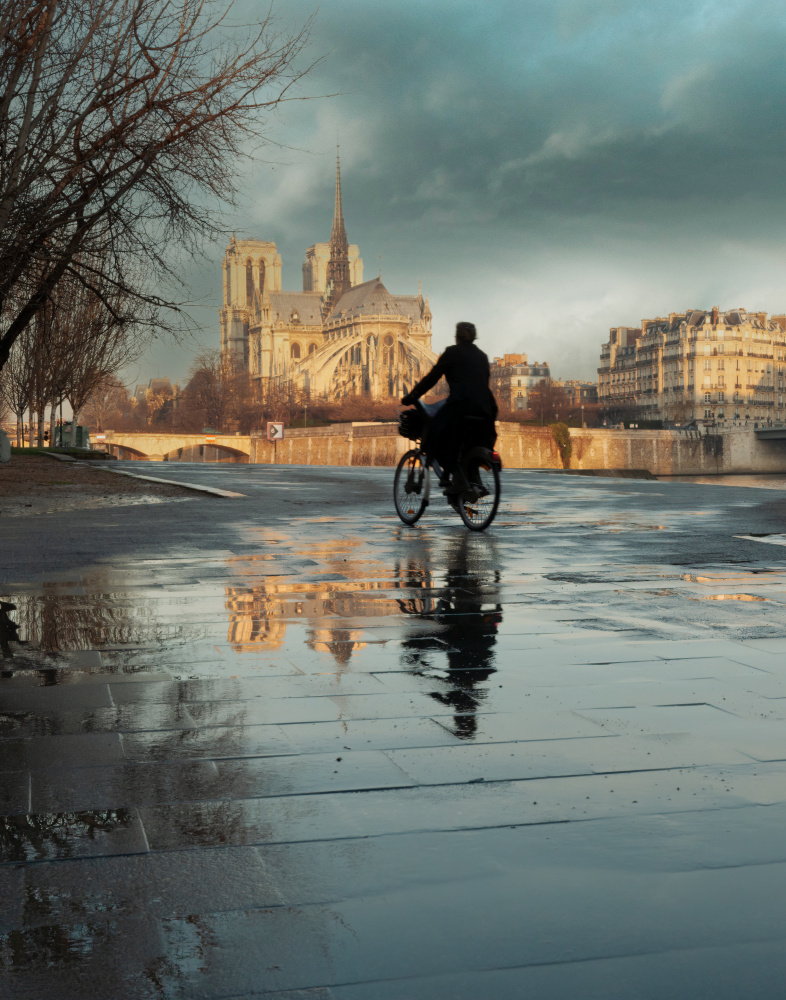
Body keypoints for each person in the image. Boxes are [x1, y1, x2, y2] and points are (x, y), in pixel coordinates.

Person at [401, 321, 497, 486]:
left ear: (457, 337)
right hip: (486, 409)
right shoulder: (482, 356)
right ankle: (473, 475)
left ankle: (454, 473)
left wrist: (413, 395)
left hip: (461, 406)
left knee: (436, 432)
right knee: (471, 442)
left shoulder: (452, 353)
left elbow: (432, 378)